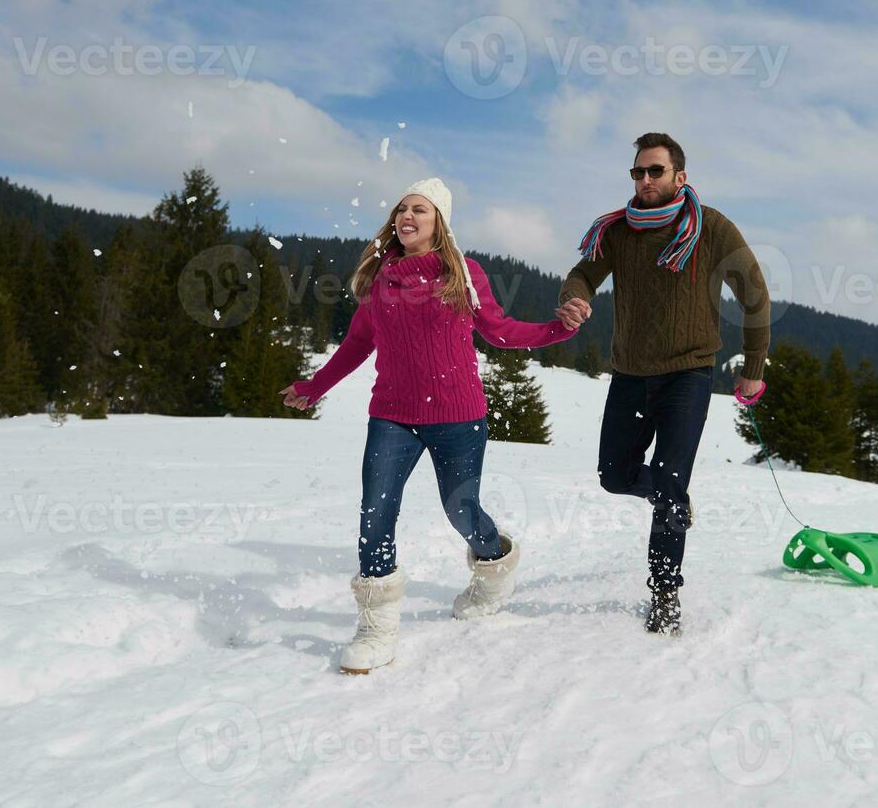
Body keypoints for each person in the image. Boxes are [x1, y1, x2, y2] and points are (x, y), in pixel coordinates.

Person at [281, 178, 578, 673]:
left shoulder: (462, 274)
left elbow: (501, 332)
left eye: (420, 208)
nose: (407, 216)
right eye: (402, 208)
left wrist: (558, 329)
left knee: (461, 509)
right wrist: (315, 386)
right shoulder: (381, 279)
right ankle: (376, 627)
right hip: (393, 415)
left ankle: (494, 560)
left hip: (458, 416)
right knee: (375, 511)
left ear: (440, 222)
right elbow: (357, 345)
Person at [555, 133, 770, 635]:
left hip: (688, 374)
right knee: (614, 475)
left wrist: (754, 367)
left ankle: (665, 592)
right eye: (638, 172)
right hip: (630, 373)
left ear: (680, 177)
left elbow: (754, 293)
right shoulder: (618, 231)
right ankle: (669, 494)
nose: (645, 180)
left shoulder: (711, 227)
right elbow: (582, 273)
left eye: (655, 171)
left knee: (672, 482)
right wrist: (574, 297)